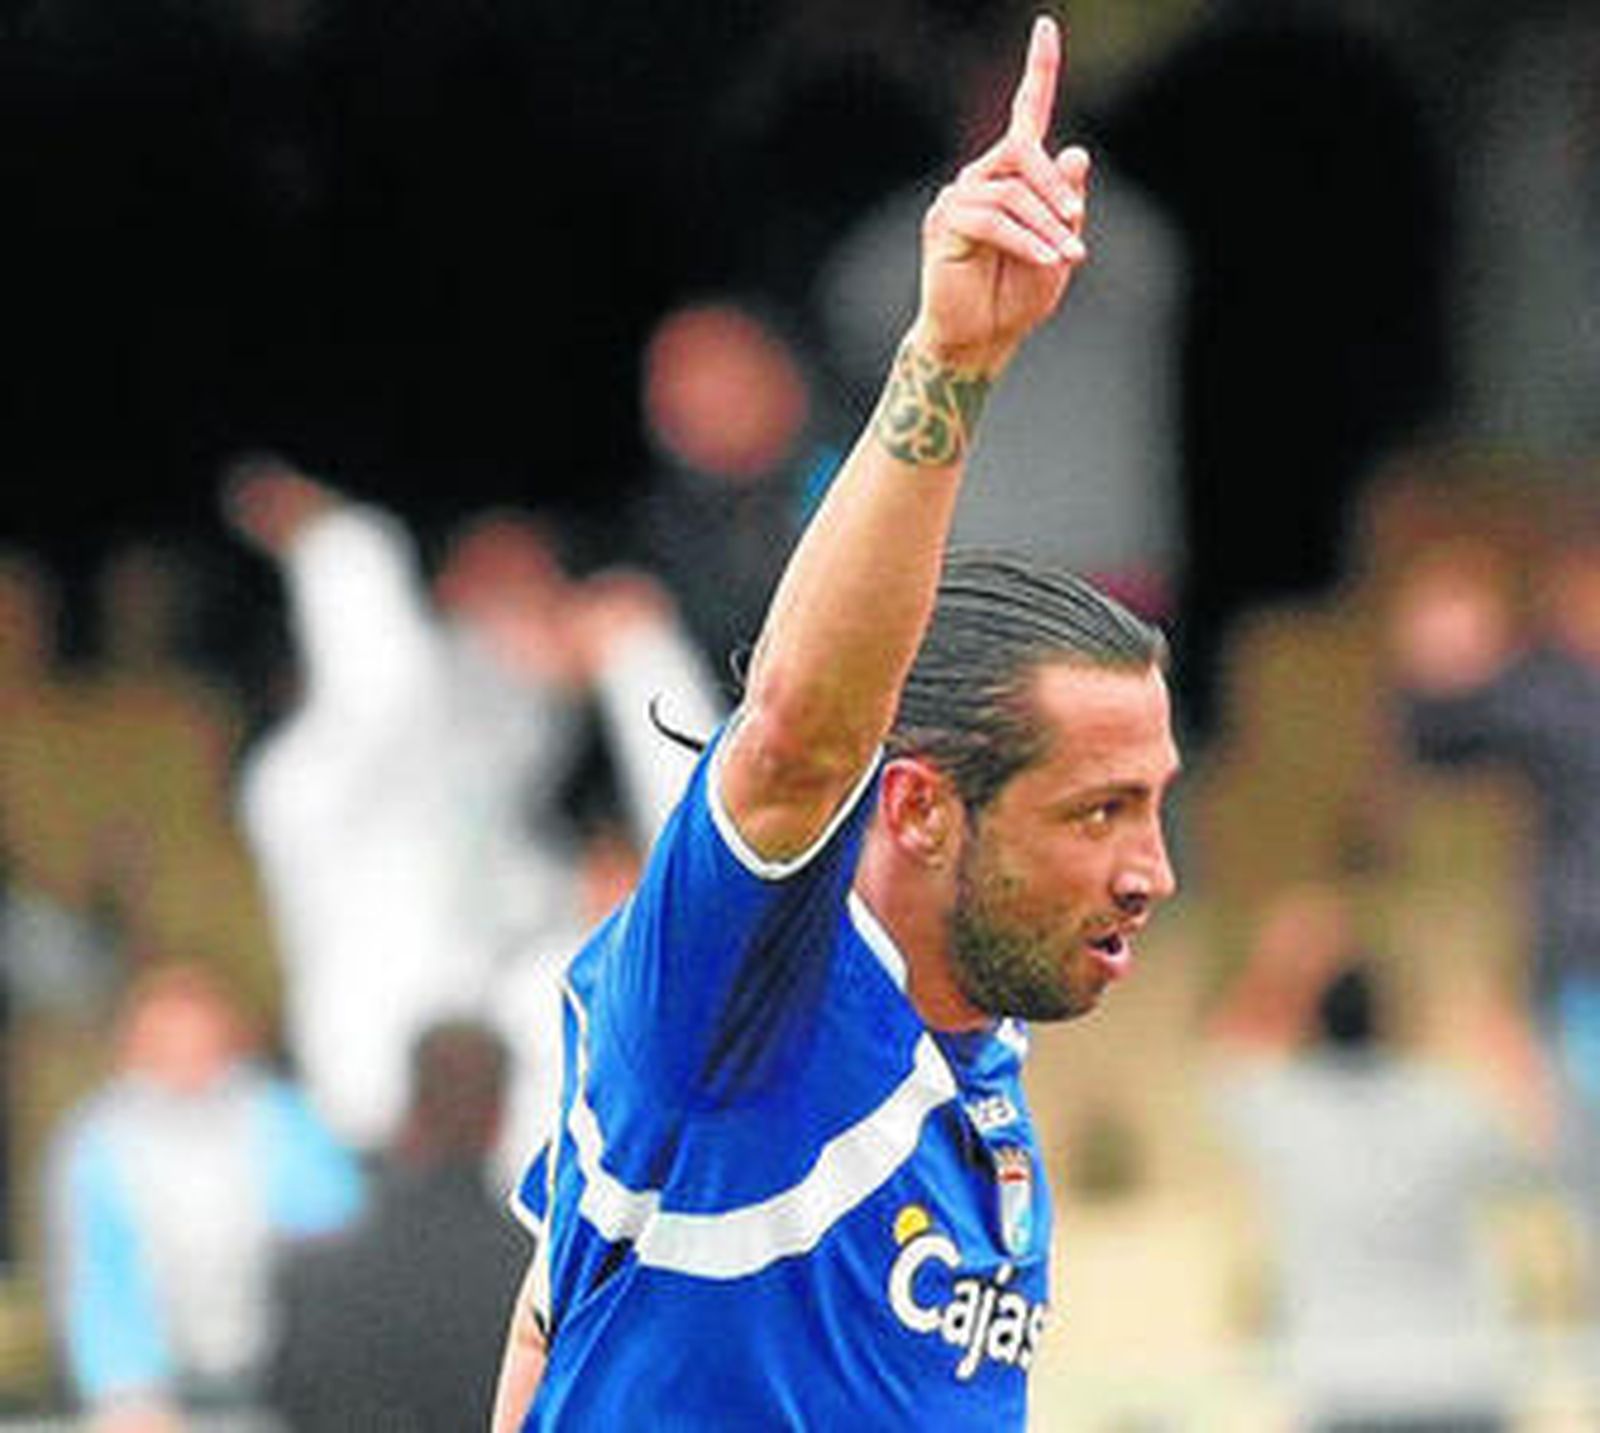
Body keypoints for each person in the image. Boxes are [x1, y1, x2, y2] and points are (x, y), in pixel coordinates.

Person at [493, 18, 1180, 1429]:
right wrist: (954, 358)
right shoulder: (741, 1008)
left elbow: (549, 1309)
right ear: (918, 805)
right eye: (1097, 807)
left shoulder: (983, 1074)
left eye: (1152, 803)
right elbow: (804, 729)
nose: (1151, 867)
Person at [1207, 886, 1544, 1433]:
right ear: (1392, 1020)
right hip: (1462, 1378)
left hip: (1343, 1384)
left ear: (1312, 1023)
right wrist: (1500, 1020)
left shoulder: (1280, 1107)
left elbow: (1230, 1041)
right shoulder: (1449, 1105)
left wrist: (1283, 961)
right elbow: (1534, 1145)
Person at [43, 962, 364, 1431]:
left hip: (280, 1373)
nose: (186, 1061)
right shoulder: (98, 1143)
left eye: (199, 1043)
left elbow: (335, 1245)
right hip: (156, 1390)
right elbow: (95, 1280)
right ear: (134, 1048)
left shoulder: (284, 1122)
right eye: (167, 1045)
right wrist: (125, 1388)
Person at [267, 1018, 527, 1433]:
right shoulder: (539, 1282)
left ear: (412, 1110)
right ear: (499, 1117)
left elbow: (289, 1398)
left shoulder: (318, 1276)